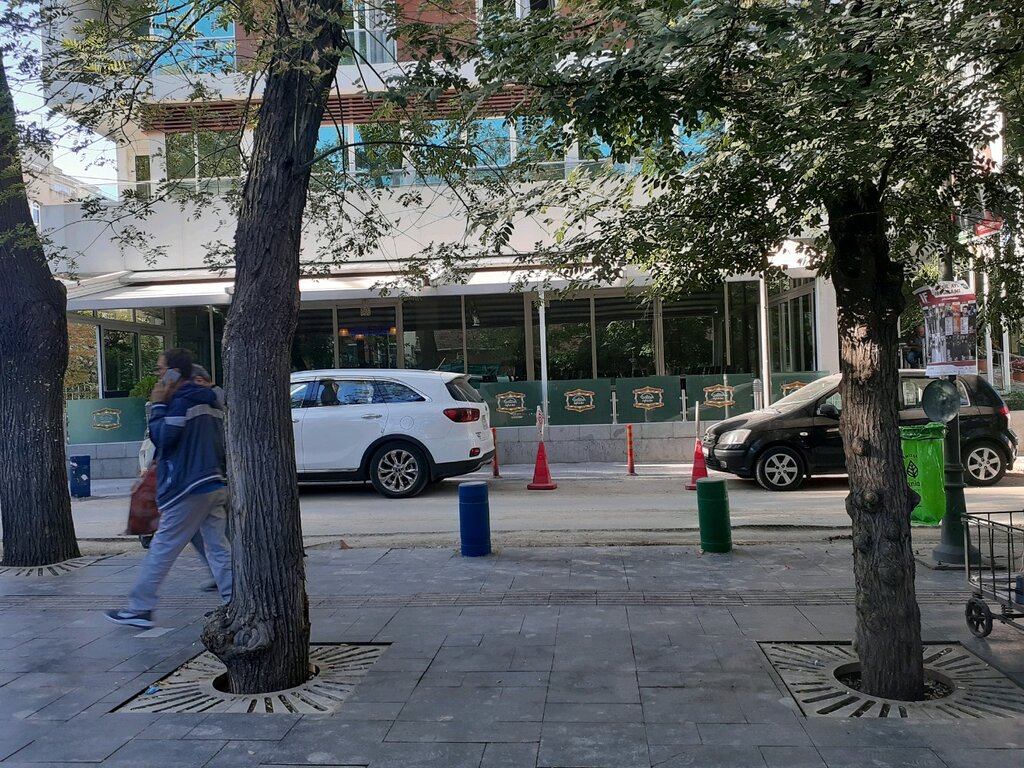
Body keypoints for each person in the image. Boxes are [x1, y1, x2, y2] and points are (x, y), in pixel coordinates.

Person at [105, 349, 232, 628]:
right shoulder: (210, 400)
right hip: (212, 481)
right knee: (218, 547)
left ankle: (140, 608)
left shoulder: (181, 401)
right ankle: (234, 600)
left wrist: (158, 405)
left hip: (187, 486)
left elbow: (164, 438)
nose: (158, 375)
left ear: (174, 373)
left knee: (162, 549)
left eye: (161, 370)